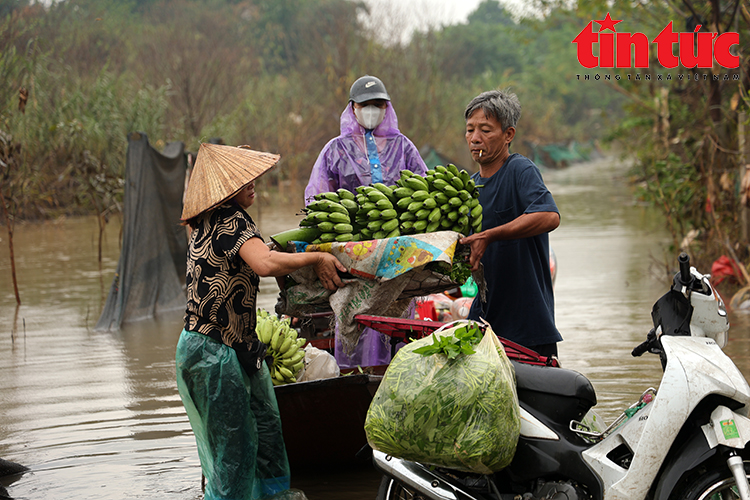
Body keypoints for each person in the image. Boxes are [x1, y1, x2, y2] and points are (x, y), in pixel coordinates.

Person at [175, 143, 346, 500]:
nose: (253, 184)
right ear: (223, 191)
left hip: (225, 347)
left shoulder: (202, 222)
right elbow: (264, 264)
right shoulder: (231, 220)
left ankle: (270, 495)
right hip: (214, 352)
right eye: (242, 181)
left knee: (264, 430)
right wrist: (316, 257)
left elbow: (248, 259)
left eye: (251, 177)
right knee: (233, 450)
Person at [305, 75, 428, 367]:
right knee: (354, 319)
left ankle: (396, 375)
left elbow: (424, 189)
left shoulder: (404, 147)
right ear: (353, 108)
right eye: (365, 104)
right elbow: (316, 197)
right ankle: (353, 378)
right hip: (351, 258)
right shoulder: (335, 149)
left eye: (378, 104)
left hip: (397, 254)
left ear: (386, 108)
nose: (371, 110)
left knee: (395, 320)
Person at [459, 89, 562, 357]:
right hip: (485, 318)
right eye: (470, 130)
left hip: (527, 323)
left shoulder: (519, 170)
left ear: (508, 135)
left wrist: (490, 235)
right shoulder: (468, 188)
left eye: (485, 130)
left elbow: (549, 216)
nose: (475, 138)